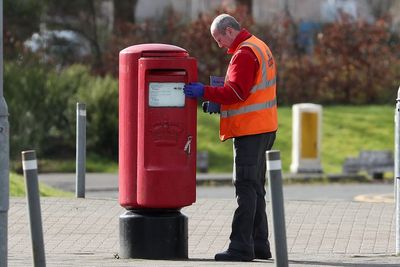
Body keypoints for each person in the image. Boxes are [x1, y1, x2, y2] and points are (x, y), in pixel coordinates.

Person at [184, 14, 278, 262]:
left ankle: (240, 247)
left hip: (250, 131)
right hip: (265, 127)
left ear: (228, 31)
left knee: (245, 188)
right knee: (256, 188)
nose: (219, 45)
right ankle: (260, 245)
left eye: (218, 39)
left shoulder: (245, 53)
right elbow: (250, 92)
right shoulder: (259, 45)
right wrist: (218, 101)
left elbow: (236, 91)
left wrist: (204, 91)